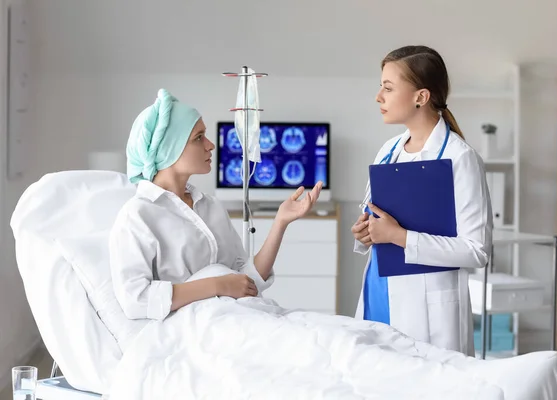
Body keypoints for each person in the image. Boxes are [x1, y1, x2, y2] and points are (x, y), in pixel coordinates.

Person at [109, 88, 322, 321]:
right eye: (198, 138)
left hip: (241, 317)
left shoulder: (210, 206)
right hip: (196, 330)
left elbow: (246, 282)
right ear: (170, 149)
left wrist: (280, 222)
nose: (210, 145)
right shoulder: (138, 215)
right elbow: (135, 300)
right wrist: (218, 285)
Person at [351, 45, 493, 356]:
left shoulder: (460, 158)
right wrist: (364, 233)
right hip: (379, 291)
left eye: (388, 88)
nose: (379, 96)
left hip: (426, 308)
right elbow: (374, 223)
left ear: (421, 96)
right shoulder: (388, 150)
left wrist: (399, 236)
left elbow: (477, 250)